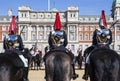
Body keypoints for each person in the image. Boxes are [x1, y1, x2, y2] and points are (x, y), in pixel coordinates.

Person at [82, 10, 112, 80]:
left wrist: (98, 44)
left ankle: (86, 74)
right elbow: (110, 41)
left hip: (97, 47)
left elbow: (94, 41)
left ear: (99, 24)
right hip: (107, 47)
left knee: (88, 58)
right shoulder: (108, 31)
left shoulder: (96, 31)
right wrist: (105, 43)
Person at [48, 12, 78, 80]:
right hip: (62, 48)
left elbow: (49, 42)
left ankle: (47, 74)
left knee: (45, 58)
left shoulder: (51, 33)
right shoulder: (63, 32)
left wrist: (52, 46)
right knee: (72, 57)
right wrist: (62, 47)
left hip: (53, 49)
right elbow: (66, 42)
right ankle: (73, 73)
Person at [3, 16, 29, 81]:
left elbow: (4, 46)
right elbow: (22, 47)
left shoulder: (6, 37)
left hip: (7, 52)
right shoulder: (18, 36)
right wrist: (19, 49)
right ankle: (25, 77)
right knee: (25, 63)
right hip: (17, 53)